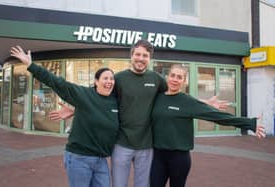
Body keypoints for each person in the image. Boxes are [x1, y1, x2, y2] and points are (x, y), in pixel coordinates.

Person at [48, 39, 230, 187]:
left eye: (145, 55)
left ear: (149, 58)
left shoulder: (156, 79)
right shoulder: (117, 79)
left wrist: (205, 102)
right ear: (132, 56)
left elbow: (176, 97)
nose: (141, 58)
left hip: (146, 146)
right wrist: (74, 110)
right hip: (121, 144)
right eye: (137, 54)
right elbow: (95, 98)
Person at [10, 46, 119, 187]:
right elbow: (58, 83)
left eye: (111, 79)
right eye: (105, 78)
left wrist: (75, 111)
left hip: (101, 160)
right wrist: (31, 65)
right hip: (80, 158)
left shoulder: (114, 102)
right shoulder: (84, 95)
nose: (109, 81)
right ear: (96, 82)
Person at [150, 64, 266, 187]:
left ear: (184, 81)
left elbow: (218, 117)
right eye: (172, 75)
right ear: (167, 77)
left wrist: (250, 123)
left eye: (179, 77)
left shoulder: (188, 101)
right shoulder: (157, 97)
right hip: (158, 157)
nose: (174, 79)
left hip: (179, 158)